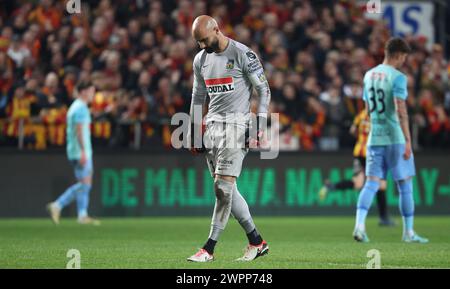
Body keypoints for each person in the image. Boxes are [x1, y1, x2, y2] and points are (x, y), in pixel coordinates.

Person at [187, 15, 271, 262]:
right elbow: (197, 97)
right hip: (212, 128)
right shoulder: (200, 59)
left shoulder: (243, 54)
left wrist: (259, 124)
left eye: (204, 40)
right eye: (198, 42)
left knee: (222, 188)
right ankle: (257, 241)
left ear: (217, 29)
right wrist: (194, 131)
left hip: (237, 127)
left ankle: (209, 248)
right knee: (228, 191)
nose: (202, 46)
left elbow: (263, 90)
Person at [353, 37, 428, 243]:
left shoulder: (368, 75)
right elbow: (401, 110)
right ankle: (409, 233)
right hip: (395, 137)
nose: (404, 60)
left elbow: (367, 110)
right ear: (399, 55)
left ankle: (359, 227)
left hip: (374, 137)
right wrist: (408, 140)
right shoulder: (398, 77)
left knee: (371, 183)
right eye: (404, 56)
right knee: (405, 184)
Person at [319, 109, 395, 226]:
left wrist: (361, 138)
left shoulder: (361, 115)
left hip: (359, 151)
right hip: (373, 153)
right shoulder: (381, 115)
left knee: (358, 183)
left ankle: (331, 186)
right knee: (381, 184)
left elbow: (353, 130)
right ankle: (383, 217)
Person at [46, 81, 100, 225]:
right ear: (83, 92)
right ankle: (58, 205)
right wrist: (83, 152)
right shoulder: (81, 108)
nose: (93, 95)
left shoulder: (76, 107)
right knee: (84, 184)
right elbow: (79, 131)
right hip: (80, 152)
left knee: (84, 183)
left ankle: (82, 215)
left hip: (76, 151)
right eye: (91, 91)